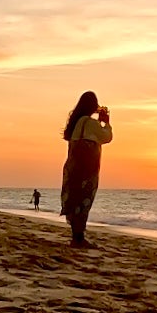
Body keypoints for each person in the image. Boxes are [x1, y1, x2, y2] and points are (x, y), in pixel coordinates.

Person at [60, 91, 112, 248]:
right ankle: (78, 238)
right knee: (84, 199)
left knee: (74, 198)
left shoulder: (76, 123)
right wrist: (106, 122)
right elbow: (107, 137)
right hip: (87, 169)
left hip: (73, 167)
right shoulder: (89, 123)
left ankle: (76, 236)